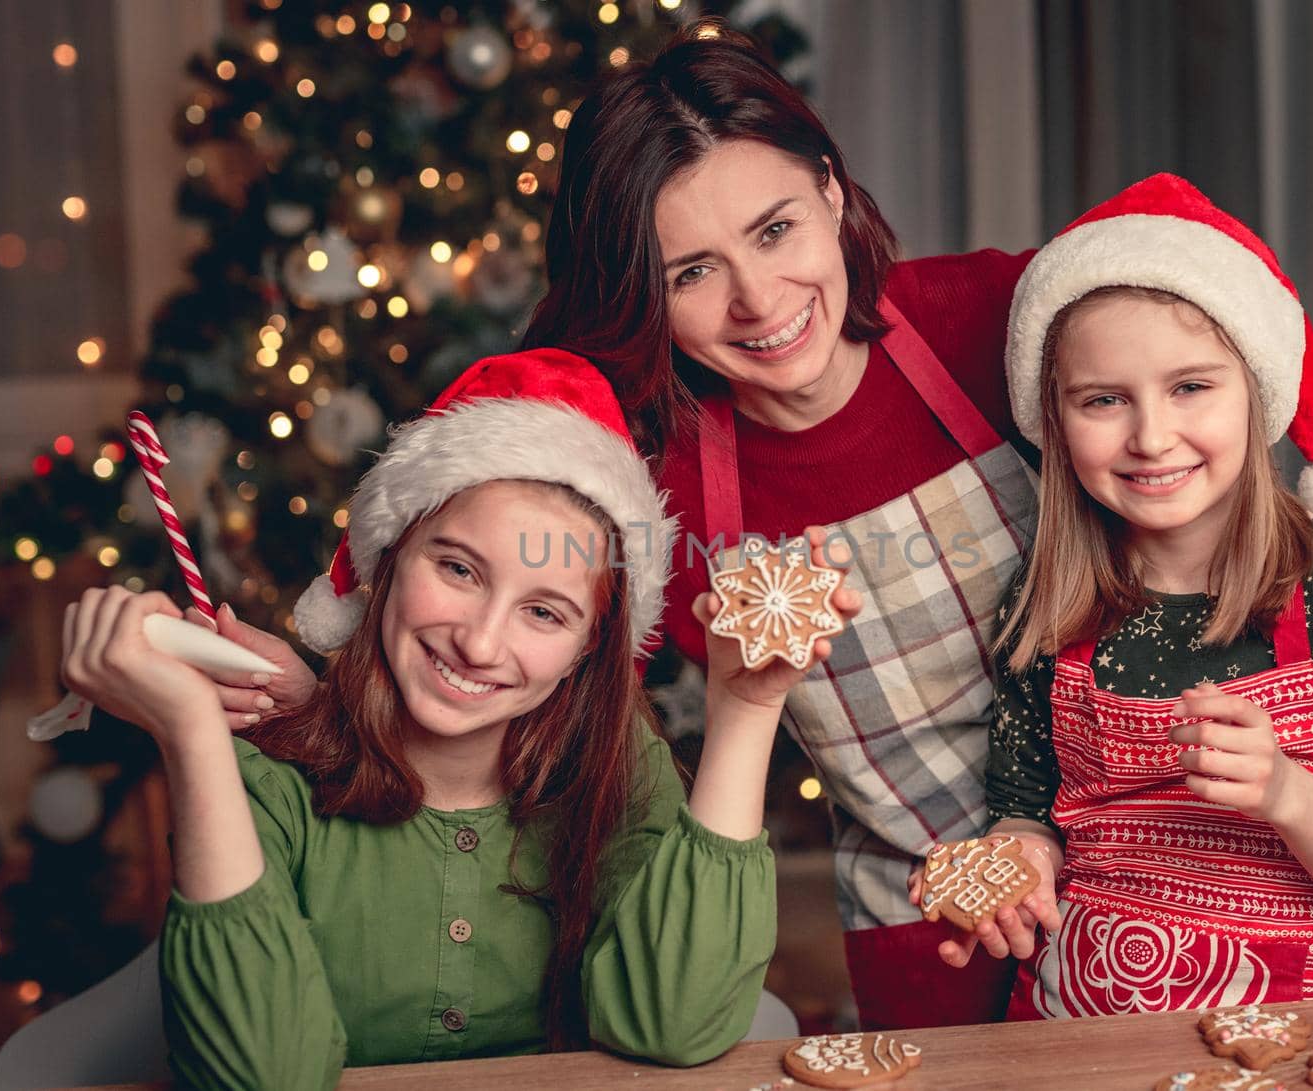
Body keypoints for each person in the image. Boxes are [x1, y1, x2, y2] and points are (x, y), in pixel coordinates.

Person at [215, 24, 1042, 1030]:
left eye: (775, 229)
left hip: (1146, 867)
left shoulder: (997, 318)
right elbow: (499, 660)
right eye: (689, 271)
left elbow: (1193, 262)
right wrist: (321, 705)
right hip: (927, 920)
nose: (758, 300)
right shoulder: (638, 467)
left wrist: (1305, 477)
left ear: (829, 188)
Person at [59, 350, 859, 1088]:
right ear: (386, 563)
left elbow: (672, 1024)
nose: (479, 642)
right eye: (457, 568)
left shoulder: (616, 771)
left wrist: (749, 709)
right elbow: (264, 1073)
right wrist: (194, 733)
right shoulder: (268, 786)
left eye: (544, 612)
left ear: (588, 649)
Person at [934, 173, 1313, 1017]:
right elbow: (1023, 813)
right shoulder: (1044, 603)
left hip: (1290, 1033)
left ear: (1256, 389)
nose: (1150, 436)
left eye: (1191, 387)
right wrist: (1019, 859)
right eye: (1103, 400)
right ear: (1056, 420)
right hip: (1075, 1028)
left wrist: (1289, 794)